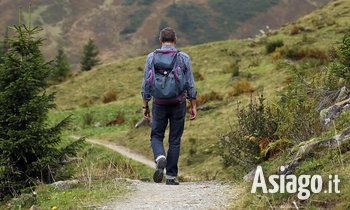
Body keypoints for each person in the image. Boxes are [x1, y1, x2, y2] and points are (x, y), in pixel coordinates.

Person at [141, 27, 197, 185]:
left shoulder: (151, 57)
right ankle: (171, 176)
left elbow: (146, 83)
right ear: (175, 40)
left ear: (160, 41)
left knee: (156, 135)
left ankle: (160, 157)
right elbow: (190, 83)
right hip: (178, 102)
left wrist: (145, 104)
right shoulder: (183, 57)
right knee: (175, 139)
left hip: (158, 103)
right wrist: (193, 104)